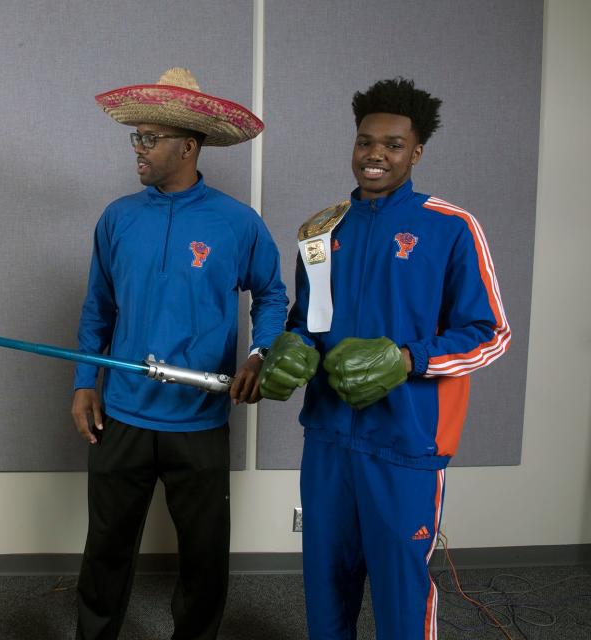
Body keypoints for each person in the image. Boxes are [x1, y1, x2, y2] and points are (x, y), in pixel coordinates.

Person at [259, 78, 510, 638]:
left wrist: (406, 358)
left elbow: (491, 333)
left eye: (393, 145)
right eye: (365, 142)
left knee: (401, 591)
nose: (375, 154)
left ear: (416, 152)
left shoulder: (451, 226)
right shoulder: (320, 232)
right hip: (327, 438)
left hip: (406, 443)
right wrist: (294, 343)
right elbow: (309, 320)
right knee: (325, 585)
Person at [71, 68, 288, 640]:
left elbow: (271, 293)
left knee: (204, 557)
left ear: (189, 146)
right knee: (106, 549)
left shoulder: (237, 222)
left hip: (200, 418)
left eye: (150, 138)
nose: (138, 149)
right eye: (135, 137)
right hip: (122, 413)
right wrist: (84, 382)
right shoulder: (117, 218)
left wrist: (261, 352)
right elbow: (98, 309)